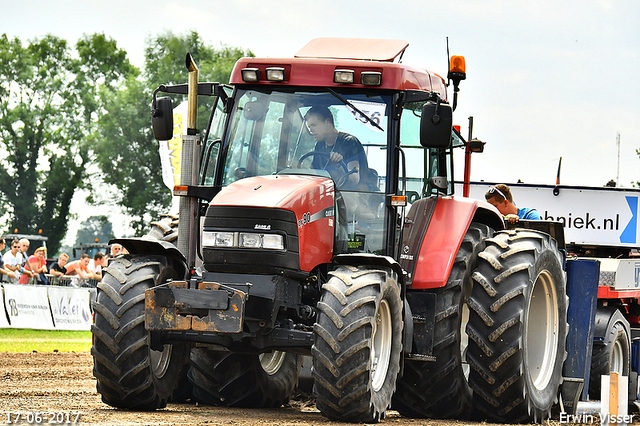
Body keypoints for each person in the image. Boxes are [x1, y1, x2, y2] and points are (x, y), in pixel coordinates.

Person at [304, 106, 372, 189]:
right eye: (309, 127)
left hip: (354, 196)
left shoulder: (349, 142)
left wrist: (339, 166)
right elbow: (314, 173)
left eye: (314, 125)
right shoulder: (319, 145)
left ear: (328, 122)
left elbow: (354, 179)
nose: (311, 130)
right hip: (329, 193)